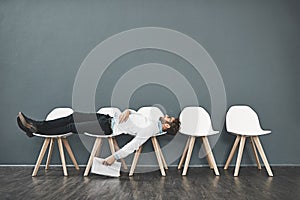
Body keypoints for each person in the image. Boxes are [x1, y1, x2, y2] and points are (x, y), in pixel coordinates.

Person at [17, 109, 181, 165]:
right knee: (72, 117)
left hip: (106, 127)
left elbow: (133, 146)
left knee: (71, 127)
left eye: (169, 118)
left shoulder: (150, 129)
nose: (166, 115)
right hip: (107, 118)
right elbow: (134, 115)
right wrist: (128, 111)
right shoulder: (153, 122)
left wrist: (113, 158)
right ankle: (36, 125)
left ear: (166, 126)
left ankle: (36, 130)